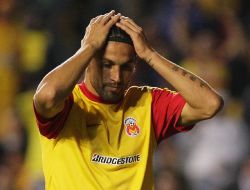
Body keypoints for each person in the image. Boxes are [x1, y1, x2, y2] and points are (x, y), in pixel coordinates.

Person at [33, 10, 223, 190]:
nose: (116, 77)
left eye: (126, 67)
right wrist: (89, 47)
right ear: (88, 60)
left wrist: (150, 55)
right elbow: (47, 96)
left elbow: (210, 104)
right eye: (107, 65)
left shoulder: (146, 103)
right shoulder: (68, 104)